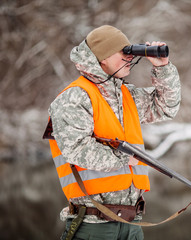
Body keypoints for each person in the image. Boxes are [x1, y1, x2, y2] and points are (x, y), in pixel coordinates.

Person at [44, 25, 181, 240]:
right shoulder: (74, 97)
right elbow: (76, 150)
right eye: (123, 53)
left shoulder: (126, 95)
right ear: (103, 57)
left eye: (130, 52)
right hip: (93, 226)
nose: (129, 58)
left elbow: (165, 107)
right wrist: (126, 157)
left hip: (132, 223)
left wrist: (163, 68)